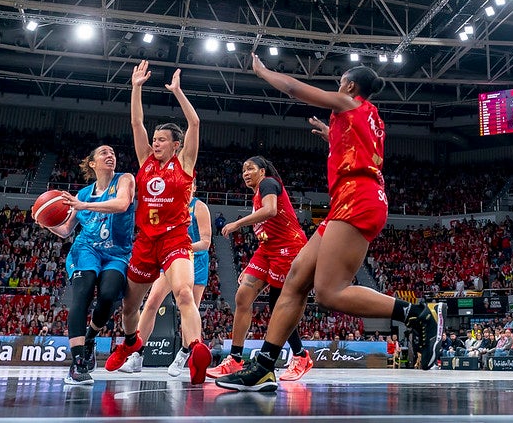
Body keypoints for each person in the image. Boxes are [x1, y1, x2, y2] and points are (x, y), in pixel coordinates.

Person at [215, 56, 445, 392]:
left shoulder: (350, 102)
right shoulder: (371, 118)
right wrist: (331, 135)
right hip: (349, 200)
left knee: (329, 292)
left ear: (351, 86)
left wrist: (263, 72)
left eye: (341, 81)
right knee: (295, 280)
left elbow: (294, 88)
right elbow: (361, 149)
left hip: (358, 199)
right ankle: (264, 367)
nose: (338, 87)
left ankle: (419, 314)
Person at [104, 61, 211, 383]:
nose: (156, 142)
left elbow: (194, 122)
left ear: (176, 144)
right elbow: (136, 122)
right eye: (155, 139)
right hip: (145, 242)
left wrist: (178, 92)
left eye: (162, 139)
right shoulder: (145, 162)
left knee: (184, 294)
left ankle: (196, 349)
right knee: (130, 306)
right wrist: (136, 86)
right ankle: (132, 343)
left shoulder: (186, 163)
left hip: (175, 240)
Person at [36, 145, 135, 385]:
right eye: (103, 153)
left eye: (112, 152)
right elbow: (65, 231)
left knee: (109, 296)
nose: (110, 155)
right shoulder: (81, 195)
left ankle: (90, 336)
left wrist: (84, 206)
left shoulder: (125, 180)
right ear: (92, 163)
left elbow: (122, 204)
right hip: (86, 250)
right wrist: (44, 220)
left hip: (117, 253)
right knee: (83, 293)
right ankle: (78, 363)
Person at [206, 156, 312, 382]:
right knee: (242, 296)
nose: (245, 173)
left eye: (250, 168)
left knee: (278, 306)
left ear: (262, 171)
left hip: (288, 249)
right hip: (266, 250)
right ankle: (235, 359)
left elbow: (271, 210)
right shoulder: (257, 193)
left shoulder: (269, 183)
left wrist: (237, 223)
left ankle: (301, 356)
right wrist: (252, 268)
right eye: (243, 169)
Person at [119, 180, 211, 375]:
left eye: (191, 184)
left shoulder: (199, 207)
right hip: (170, 257)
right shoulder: (168, 204)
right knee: (152, 301)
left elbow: (205, 242)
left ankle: (183, 354)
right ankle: (137, 354)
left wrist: (181, 248)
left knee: (188, 306)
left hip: (195, 260)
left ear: (194, 187)